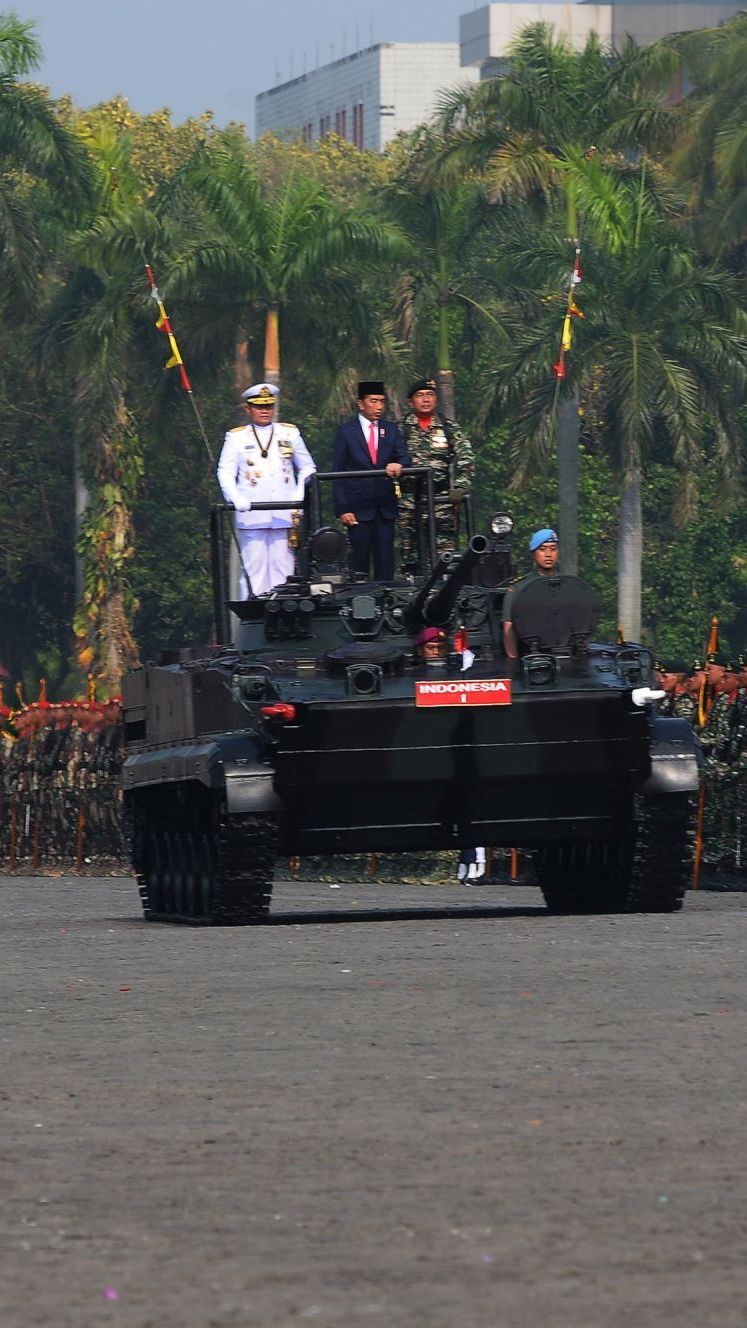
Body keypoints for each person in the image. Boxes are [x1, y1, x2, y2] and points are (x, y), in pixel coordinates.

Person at [217, 382, 316, 597]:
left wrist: (299, 492)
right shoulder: (236, 437)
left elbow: (308, 467)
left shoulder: (289, 433)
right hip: (252, 513)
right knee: (254, 571)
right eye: (259, 407)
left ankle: (282, 618)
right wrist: (235, 498)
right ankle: (253, 621)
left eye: (269, 406)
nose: (265, 411)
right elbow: (224, 472)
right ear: (248, 409)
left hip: (284, 511)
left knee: (284, 571)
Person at [332, 381, 410, 581]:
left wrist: (398, 465)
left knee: (386, 561)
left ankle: (387, 605)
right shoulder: (346, 432)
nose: (379, 407)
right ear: (361, 403)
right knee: (359, 562)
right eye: (373, 401)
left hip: (385, 507)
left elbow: (404, 457)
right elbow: (337, 472)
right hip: (358, 508)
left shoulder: (390, 429)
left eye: (382, 402)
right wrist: (343, 508)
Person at [398, 378, 475, 565]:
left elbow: (466, 458)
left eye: (430, 395)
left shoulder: (449, 428)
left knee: (445, 556)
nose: (425, 399)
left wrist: (460, 486)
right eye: (420, 395)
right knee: (411, 557)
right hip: (409, 501)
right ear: (411, 402)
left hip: (441, 500)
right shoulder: (400, 429)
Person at [501, 528, 560, 659]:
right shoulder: (518, 588)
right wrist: (513, 664)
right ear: (534, 553)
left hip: (564, 655)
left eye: (553, 548)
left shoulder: (567, 585)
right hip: (530, 657)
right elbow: (508, 629)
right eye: (543, 549)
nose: (548, 554)